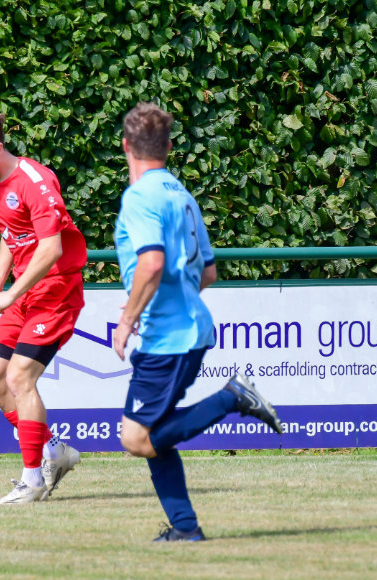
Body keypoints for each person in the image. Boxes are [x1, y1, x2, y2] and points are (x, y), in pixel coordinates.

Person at [112, 102, 283, 540]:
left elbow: (152, 263)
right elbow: (208, 272)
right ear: (168, 147)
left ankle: (232, 398)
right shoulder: (181, 195)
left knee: (135, 439)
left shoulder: (140, 197)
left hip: (168, 339)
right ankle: (185, 529)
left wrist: (128, 319)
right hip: (188, 330)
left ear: (126, 146)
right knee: (154, 436)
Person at [0, 106, 87, 505]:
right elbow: (12, 234)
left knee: (19, 378)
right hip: (23, 291)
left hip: (56, 290)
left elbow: (51, 248)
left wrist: (11, 293)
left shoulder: (35, 181)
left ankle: (33, 480)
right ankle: (55, 451)